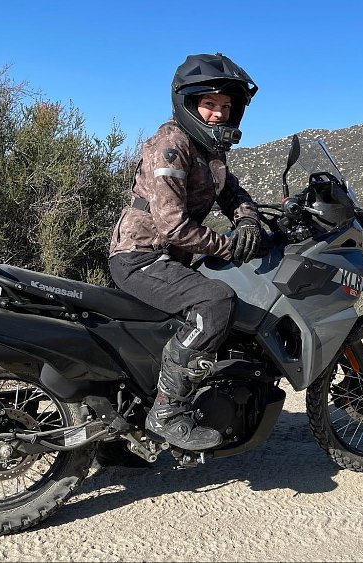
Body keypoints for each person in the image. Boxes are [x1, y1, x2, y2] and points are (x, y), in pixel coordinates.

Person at [108, 53, 265, 451]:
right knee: (215, 301)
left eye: (226, 106)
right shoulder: (171, 145)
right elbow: (172, 226)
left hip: (167, 257)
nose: (218, 113)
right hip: (138, 256)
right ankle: (167, 410)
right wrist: (227, 247)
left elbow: (233, 194)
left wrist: (246, 219)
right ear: (190, 103)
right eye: (210, 104)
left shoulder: (210, 151)